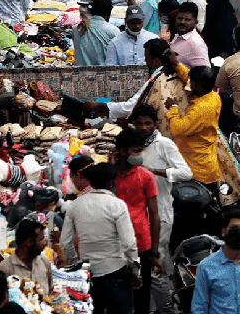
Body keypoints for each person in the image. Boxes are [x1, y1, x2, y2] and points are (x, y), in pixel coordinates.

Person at [127, 103, 190, 299]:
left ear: (155, 124)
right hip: (140, 213)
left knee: (156, 255)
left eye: (148, 123)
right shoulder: (134, 144)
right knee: (155, 257)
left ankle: (163, 304)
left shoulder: (164, 145)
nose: (144, 127)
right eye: (139, 123)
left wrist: (154, 173)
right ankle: (170, 297)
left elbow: (186, 173)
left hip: (161, 211)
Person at [61, 162, 141, 314]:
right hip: (115, 271)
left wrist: (75, 266)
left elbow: (65, 243)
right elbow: (129, 244)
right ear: (111, 182)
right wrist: (135, 271)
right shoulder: (117, 205)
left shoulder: (74, 206)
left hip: (87, 273)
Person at [110, 129, 161, 314]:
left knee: (141, 297)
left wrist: (155, 252)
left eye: (141, 150)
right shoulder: (109, 177)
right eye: (136, 151)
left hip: (142, 244)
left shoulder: (146, 177)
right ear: (122, 151)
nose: (140, 155)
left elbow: (155, 215)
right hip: (114, 245)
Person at [165, 65, 221, 187]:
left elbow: (178, 130)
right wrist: (176, 65)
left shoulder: (201, 109)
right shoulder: (213, 97)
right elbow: (190, 77)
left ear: (197, 85)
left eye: (191, 82)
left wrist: (173, 108)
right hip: (203, 167)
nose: (189, 84)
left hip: (197, 173)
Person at [0, 217, 54, 295]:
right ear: (29, 242)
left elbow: (50, 293)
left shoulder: (44, 261)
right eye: (41, 239)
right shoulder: (4, 269)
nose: (45, 243)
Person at [75, 0, 121, 66]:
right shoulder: (113, 31)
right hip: (103, 75)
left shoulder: (76, 29)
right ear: (108, 12)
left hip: (79, 75)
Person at [170, 2, 210, 68]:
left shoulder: (196, 43)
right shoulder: (178, 36)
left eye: (187, 20)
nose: (182, 22)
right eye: (180, 18)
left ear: (195, 22)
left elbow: (204, 75)